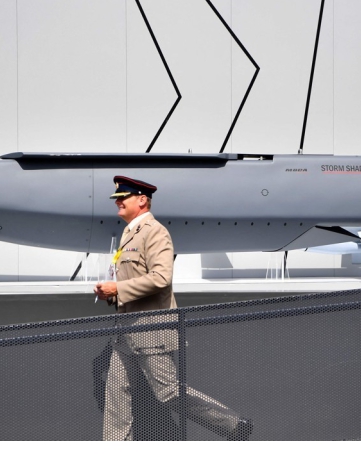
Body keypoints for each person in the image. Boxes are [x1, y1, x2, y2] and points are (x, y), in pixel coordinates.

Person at [95, 175, 253, 441]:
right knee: (116, 395)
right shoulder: (129, 233)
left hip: (150, 330)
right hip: (125, 331)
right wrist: (110, 293)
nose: (118, 202)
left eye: (123, 198)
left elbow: (161, 278)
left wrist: (118, 289)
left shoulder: (155, 232)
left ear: (142, 200)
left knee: (169, 392)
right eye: (117, 199)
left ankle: (234, 425)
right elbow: (131, 279)